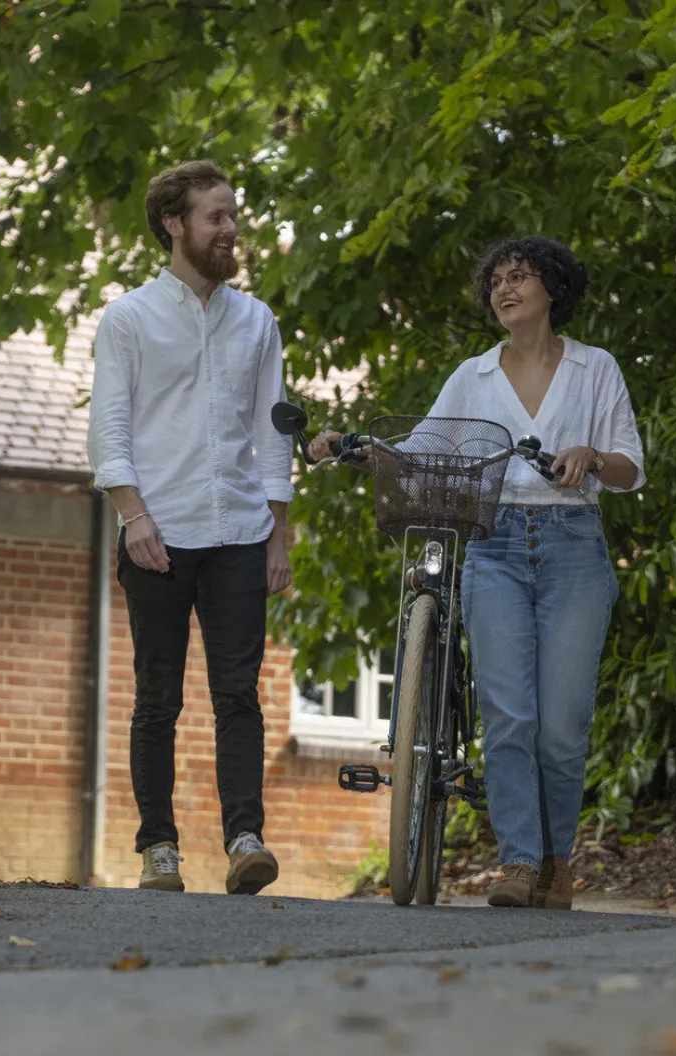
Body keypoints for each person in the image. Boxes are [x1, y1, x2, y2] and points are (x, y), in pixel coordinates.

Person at [311, 236, 642, 909]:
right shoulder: (473, 377)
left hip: (573, 548)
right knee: (509, 715)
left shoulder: (594, 369)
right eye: (495, 280)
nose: (503, 288)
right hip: (492, 549)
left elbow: (630, 469)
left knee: (560, 725)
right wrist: (352, 448)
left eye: (519, 276)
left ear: (554, 288)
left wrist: (592, 455)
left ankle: (556, 860)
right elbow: (421, 452)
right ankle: (517, 863)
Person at [88, 160, 293, 896]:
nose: (230, 229)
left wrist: (279, 529)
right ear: (174, 224)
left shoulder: (257, 321)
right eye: (216, 217)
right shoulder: (131, 319)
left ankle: (246, 839)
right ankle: (159, 849)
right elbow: (109, 429)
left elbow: (274, 434)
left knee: (239, 692)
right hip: (159, 533)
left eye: (234, 215)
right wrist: (132, 515)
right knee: (158, 697)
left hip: (238, 530)